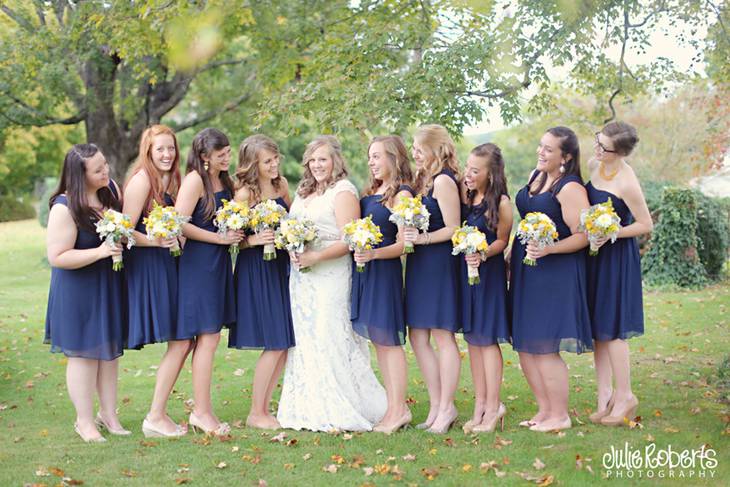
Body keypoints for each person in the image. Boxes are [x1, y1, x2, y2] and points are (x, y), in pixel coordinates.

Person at [277, 135, 386, 431]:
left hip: (331, 275)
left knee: (329, 336)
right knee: (306, 340)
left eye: (322, 159)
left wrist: (317, 257)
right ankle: (308, 405)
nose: (317, 165)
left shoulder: (343, 191)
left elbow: (348, 239)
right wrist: (292, 246)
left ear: (335, 160)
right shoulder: (303, 192)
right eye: (312, 160)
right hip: (301, 280)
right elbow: (292, 228)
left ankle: (344, 405)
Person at [509, 126, 593, 432]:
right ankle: (544, 410)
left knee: (545, 345)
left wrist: (549, 249)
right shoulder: (536, 176)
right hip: (526, 268)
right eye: (540, 146)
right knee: (527, 344)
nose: (540, 152)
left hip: (554, 273)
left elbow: (583, 236)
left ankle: (560, 414)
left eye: (548, 149)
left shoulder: (570, 188)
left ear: (565, 157)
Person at [45, 144, 128, 442]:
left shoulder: (110, 194)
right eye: (98, 169)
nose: (106, 171)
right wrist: (101, 251)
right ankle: (84, 421)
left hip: (106, 287)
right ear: (80, 175)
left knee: (108, 355)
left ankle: (108, 415)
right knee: (83, 357)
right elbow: (57, 256)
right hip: (78, 291)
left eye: (105, 164)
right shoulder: (64, 207)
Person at [122, 125, 189, 437]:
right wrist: (155, 241)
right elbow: (125, 229)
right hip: (148, 267)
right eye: (160, 149)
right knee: (181, 337)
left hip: (170, 264)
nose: (167, 154)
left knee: (183, 338)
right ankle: (155, 416)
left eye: (171, 148)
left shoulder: (172, 180)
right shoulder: (141, 181)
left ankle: (157, 414)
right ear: (147, 151)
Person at [175, 128, 243, 435]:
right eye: (221, 155)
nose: (227, 158)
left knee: (210, 339)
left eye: (228, 152)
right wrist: (219, 237)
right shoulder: (194, 180)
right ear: (204, 157)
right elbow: (180, 224)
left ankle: (202, 410)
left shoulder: (224, 180)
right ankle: (201, 412)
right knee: (207, 338)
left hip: (218, 264)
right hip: (198, 266)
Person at [586, 121, 652, 426]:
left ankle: (625, 395)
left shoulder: (627, 181)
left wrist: (613, 231)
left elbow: (645, 225)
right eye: (598, 141)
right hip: (594, 256)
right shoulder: (593, 165)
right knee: (599, 330)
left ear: (620, 152)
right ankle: (605, 396)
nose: (597, 149)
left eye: (604, 147)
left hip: (616, 258)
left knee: (613, 330)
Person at [229, 134, 294, 430]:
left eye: (275, 159)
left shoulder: (281, 186)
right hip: (256, 269)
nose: (274, 164)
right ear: (253, 164)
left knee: (284, 342)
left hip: (281, 266)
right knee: (275, 340)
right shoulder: (243, 194)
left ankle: (264, 409)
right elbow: (232, 240)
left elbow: (292, 221)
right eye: (267, 161)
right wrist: (254, 239)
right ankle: (256, 412)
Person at [351, 136, 413, 434]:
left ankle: (399, 409)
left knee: (389, 343)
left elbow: (403, 244)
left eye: (377, 156)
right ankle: (393, 407)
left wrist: (374, 252)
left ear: (393, 158)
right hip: (366, 272)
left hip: (384, 272)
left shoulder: (401, 196)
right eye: (370, 157)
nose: (371, 162)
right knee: (379, 342)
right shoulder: (372, 192)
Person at [403, 124, 462, 434]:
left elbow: (453, 228)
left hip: (438, 263)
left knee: (442, 335)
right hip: (419, 264)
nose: (415, 153)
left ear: (436, 150)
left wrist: (423, 240)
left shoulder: (444, 181)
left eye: (419, 148)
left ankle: (447, 406)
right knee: (418, 336)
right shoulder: (424, 180)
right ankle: (436, 403)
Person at [459, 143, 512, 434]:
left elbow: (503, 240)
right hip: (466, 275)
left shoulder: (501, 202)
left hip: (487, 274)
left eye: (475, 170)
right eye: (468, 167)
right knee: (473, 341)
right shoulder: (467, 196)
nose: (468, 173)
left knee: (487, 340)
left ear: (491, 173)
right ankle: (479, 405)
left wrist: (483, 254)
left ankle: (494, 406)